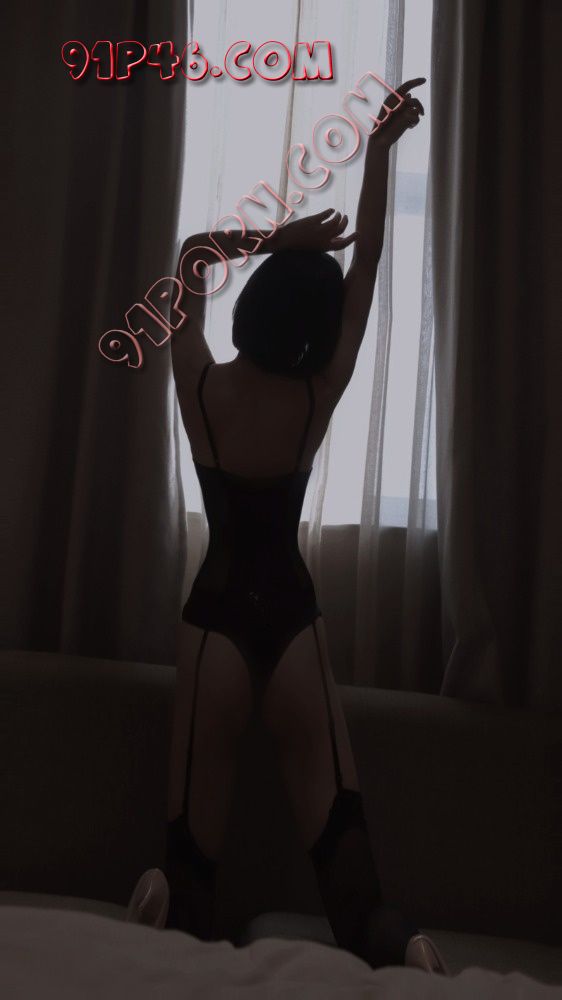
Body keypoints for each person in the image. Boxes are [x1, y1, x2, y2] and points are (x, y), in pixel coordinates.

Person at [165, 76, 448, 974]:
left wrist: (272, 239)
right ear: (314, 329)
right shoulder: (317, 396)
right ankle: (402, 949)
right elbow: (365, 274)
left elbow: (190, 258)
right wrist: (379, 151)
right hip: (291, 619)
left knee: (191, 857)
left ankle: (161, 923)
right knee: (344, 854)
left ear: (256, 305)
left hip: (213, 621)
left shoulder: (201, 388)